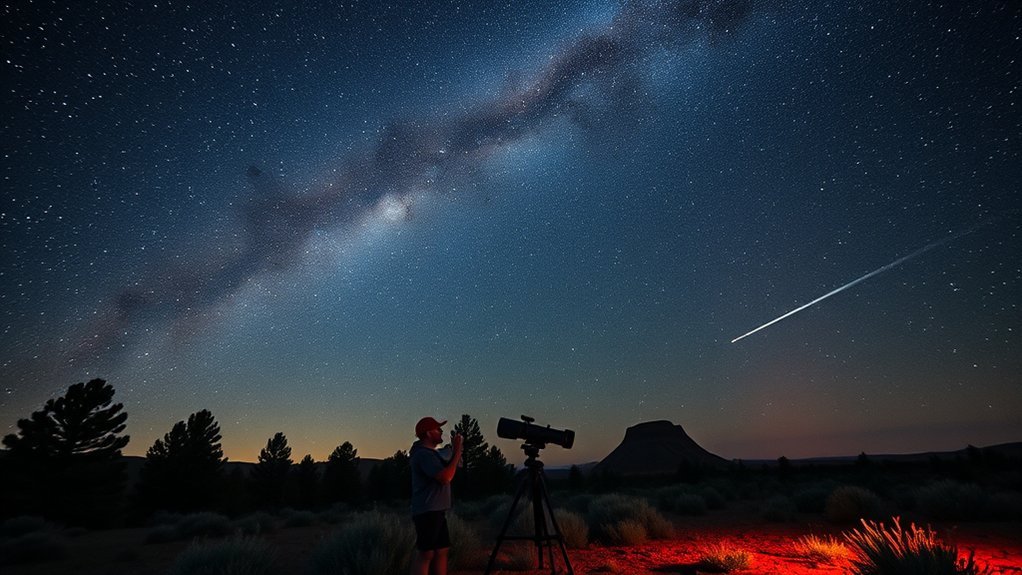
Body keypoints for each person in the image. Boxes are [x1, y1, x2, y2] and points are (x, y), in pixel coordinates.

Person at [409, 416, 463, 575]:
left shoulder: (432, 454)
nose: (441, 431)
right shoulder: (423, 455)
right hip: (427, 510)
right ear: (428, 433)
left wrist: (454, 452)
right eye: (437, 429)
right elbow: (445, 477)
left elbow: (453, 466)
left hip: (436, 510)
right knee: (426, 554)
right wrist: (458, 451)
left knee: (441, 550)